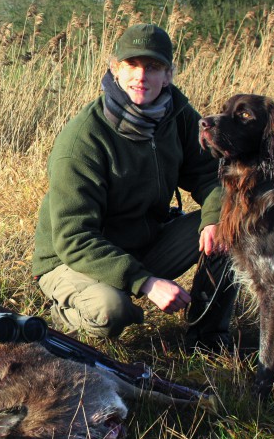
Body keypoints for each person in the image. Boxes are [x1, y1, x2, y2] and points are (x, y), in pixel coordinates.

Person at [31, 23, 234, 346]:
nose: (141, 76)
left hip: (143, 242)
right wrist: (146, 282)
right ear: (115, 70)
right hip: (72, 259)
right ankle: (66, 311)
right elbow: (74, 238)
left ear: (168, 75)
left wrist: (214, 218)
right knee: (112, 310)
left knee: (235, 225)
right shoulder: (83, 139)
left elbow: (212, 176)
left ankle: (207, 336)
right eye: (132, 65)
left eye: (152, 67)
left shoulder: (177, 116)